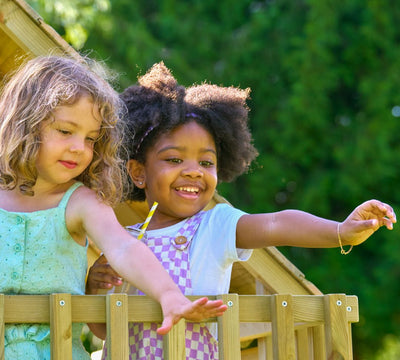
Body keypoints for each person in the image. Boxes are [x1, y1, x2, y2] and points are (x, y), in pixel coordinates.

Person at [86, 62, 396, 360]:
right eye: (175, 160)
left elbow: (278, 223)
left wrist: (340, 231)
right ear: (139, 172)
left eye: (206, 162)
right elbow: (104, 330)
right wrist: (94, 286)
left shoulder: (215, 226)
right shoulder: (121, 242)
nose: (194, 171)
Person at [0, 56, 228, 360]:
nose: (79, 148)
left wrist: (168, 294)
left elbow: (124, 248)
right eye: (66, 131)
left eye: (91, 138)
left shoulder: (80, 202)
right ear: (25, 124)